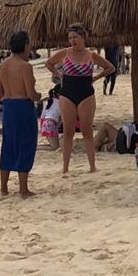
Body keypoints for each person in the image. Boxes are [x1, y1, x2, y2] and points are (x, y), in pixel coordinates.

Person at [45, 24, 116, 175]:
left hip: (86, 94)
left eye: (75, 37)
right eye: (70, 38)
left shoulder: (91, 55)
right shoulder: (65, 53)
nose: (72, 40)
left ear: (83, 37)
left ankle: (92, 166)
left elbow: (110, 67)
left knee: (87, 131)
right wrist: (59, 75)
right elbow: (49, 64)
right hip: (67, 94)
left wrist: (95, 78)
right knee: (68, 131)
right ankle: (65, 167)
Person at [0, 30, 41, 197]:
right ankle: (23, 189)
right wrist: (39, 97)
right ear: (25, 45)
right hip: (23, 107)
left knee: (8, 144)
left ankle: (4, 187)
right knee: (26, 144)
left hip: (8, 107)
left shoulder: (4, 64)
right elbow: (30, 93)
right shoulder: (25, 66)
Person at [39, 86, 62, 150]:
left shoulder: (49, 101)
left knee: (55, 145)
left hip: (46, 123)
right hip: (51, 124)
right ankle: (35, 147)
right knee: (55, 147)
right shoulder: (61, 103)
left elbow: (42, 116)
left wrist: (42, 128)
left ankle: (36, 147)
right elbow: (61, 118)